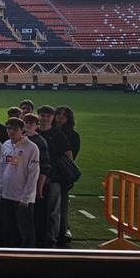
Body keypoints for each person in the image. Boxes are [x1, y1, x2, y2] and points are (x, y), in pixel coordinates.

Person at [0, 118, 40, 247]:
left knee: (25, 230)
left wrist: (26, 197)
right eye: (9, 128)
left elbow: (33, 174)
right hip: (7, 194)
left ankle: (27, 254)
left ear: (22, 130)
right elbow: (2, 168)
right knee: (9, 228)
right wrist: (0, 190)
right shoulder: (5, 145)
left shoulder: (31, 148)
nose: (11, 131)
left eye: (15, 129)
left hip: (22, 198)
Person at [37, 105, 74, 249]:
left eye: (48, 116)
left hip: (54, 178)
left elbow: (68, 155)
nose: (45, 118)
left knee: (53, 210)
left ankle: (51, 238)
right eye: (42, 115)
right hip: (34, 177)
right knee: (37, 208)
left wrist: (65, 173)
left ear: (52, 117)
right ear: (38, 116)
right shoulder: (34, 132)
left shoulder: (58, 134)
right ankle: (38, 235)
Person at [22, 113, 53, 247]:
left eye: (31, 123)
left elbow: (45, 167)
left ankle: (40, 246)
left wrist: (39, 187)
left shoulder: (39, 142)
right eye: (26, 122)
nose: (28, 125)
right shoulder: (22, 139)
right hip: (26, 184)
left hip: (38, 185)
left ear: (37, 126)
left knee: (39, 217)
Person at [54, 105, 81, 246]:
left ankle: (63, 231)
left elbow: (71, 157)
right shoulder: (49, 131)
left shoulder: (73, 135)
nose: (60, 117)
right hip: (51, 173)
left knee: (63, 203)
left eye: (64, 115)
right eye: (58, 113)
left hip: (63, 174)